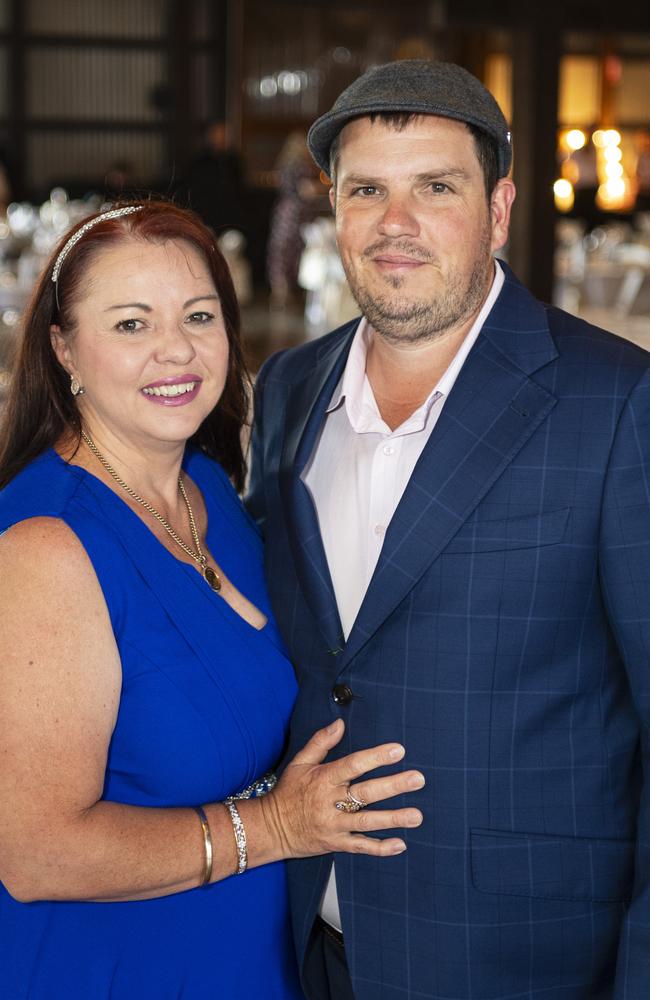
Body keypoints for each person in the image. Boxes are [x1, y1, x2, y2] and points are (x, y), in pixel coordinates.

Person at [247, 60, 650, 1000]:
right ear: (333, 210)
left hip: (527, 959)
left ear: (500, 209)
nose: (397, 223)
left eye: (436, 187)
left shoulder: (617, 403)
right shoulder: (287, 391)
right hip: (310, 946)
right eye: (367, 191)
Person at [0, 200, 424, 998]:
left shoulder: (206, 488)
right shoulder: (45, 550)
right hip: (113, 966)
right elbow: (37, 853)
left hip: (247, 955)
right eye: (130, 325)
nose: (176, 350)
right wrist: (276, 826)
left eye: (199, 315)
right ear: (64, 349)